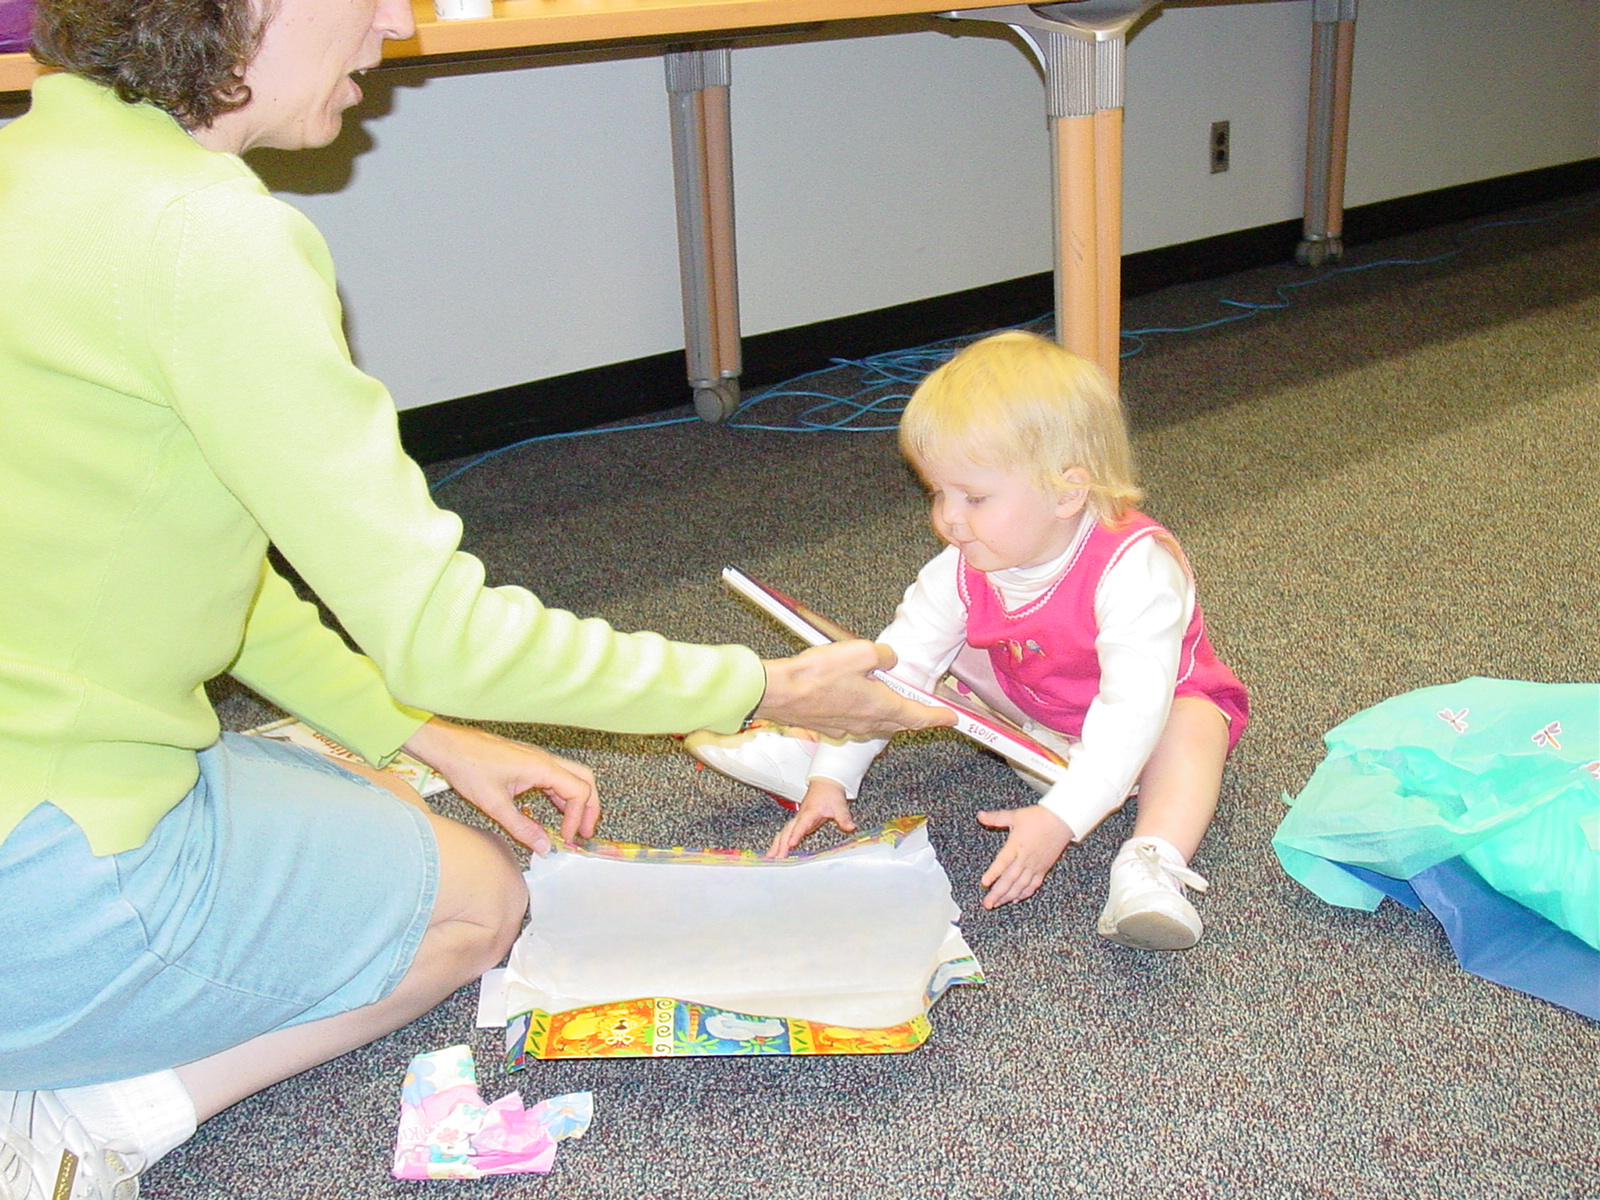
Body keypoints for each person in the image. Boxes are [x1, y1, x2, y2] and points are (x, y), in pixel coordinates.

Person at [0, 2, 951, 1196]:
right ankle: (93, 1114)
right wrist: (769, 687)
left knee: (379, 790)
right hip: (46, 881)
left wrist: (431, 737)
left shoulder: (33, 153)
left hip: (37, 777)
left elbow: (194, 568)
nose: (394, 23)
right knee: (480, 907)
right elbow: (443, 635)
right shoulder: (209, 239)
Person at [687, 331, 1249, 945]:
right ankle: (816, 746)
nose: (949, 518)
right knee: (916, 652)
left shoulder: (1136, 569)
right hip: (1039, 721)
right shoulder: (963, 564)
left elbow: (1131, 713)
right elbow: (900, 670)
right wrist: (833, 775)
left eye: (974, 497)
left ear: (1068, 492)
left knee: (1196, 722)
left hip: (1143, 736)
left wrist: (1061, 818)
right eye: (939, 493)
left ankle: (1151, 864)